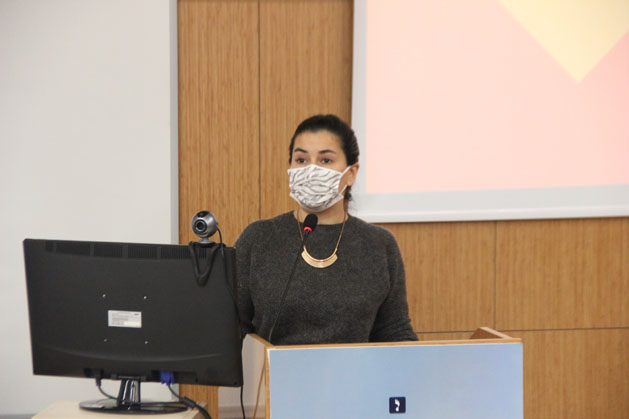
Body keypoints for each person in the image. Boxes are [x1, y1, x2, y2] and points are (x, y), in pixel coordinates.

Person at [235, 114, 417, 345]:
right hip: (273, 368)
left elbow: (394, 331)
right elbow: (232, 328)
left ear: (351, 174)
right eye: (301, 160)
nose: (311, 170)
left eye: (325, 160)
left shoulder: (379, 244)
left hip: (355, 369)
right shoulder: (259, 238)